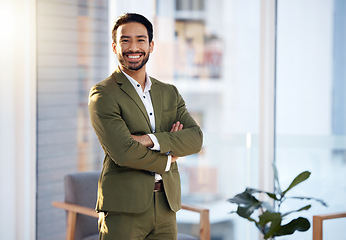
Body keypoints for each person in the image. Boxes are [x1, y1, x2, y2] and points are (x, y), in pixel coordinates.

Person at [88, 13, 203, 240]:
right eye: (125, 40)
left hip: (166, 205)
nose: (133, 47)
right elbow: (123, 152)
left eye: (140, 40)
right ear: (114, 47)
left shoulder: (169, 92)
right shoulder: (103, 94)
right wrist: (169, 159)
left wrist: (150, 140)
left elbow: (195, 139)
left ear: (151, 46)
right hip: (124, 207)